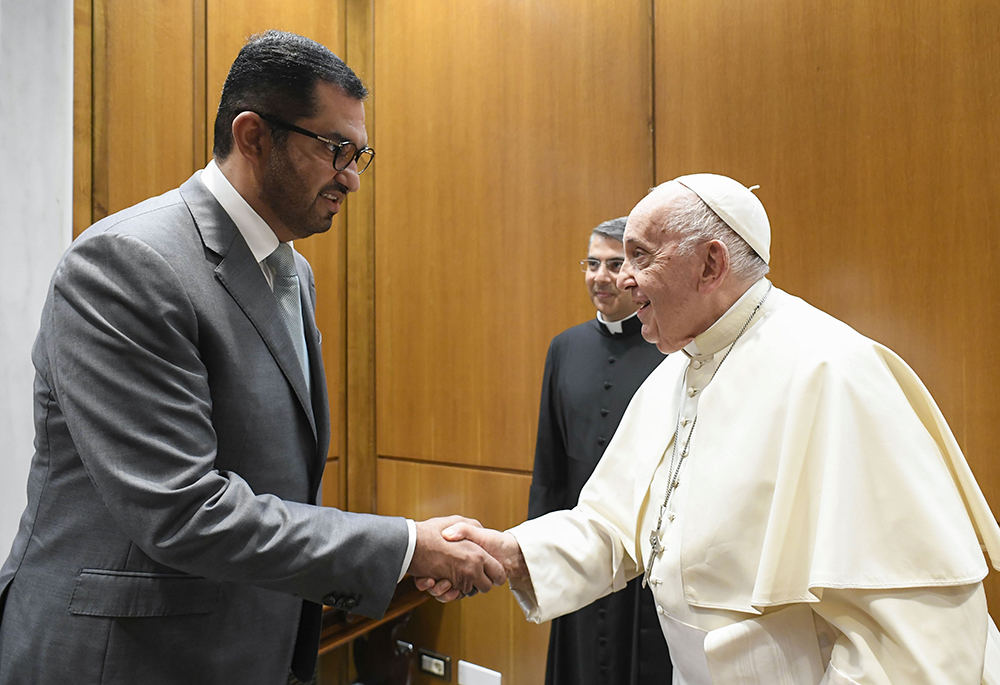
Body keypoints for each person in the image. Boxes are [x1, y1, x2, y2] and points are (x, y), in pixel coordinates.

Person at [0, 30, 503, 685]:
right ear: (254, 135)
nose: (351, 177)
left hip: (240, 648)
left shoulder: (293, 272)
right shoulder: (128, 264)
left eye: (360, 154)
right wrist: (405, 547)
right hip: (123, 657)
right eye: (334, 149)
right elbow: (182, 510)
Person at [421, 173, 1000, 684]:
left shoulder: (833, 371)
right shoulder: (678, 370)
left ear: (711, 265)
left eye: (641, 258)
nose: (624, 280)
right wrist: (515, 553)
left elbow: (912, 638)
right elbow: (615, 525)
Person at [529, 217, 670, 685]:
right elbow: (548, 465)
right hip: (579, 549)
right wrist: (538, 550)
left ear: (636, 272)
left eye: (614, 264)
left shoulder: (670, 351)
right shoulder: (564, 348)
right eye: (592, 264)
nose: (600, 277)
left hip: (643, 565)